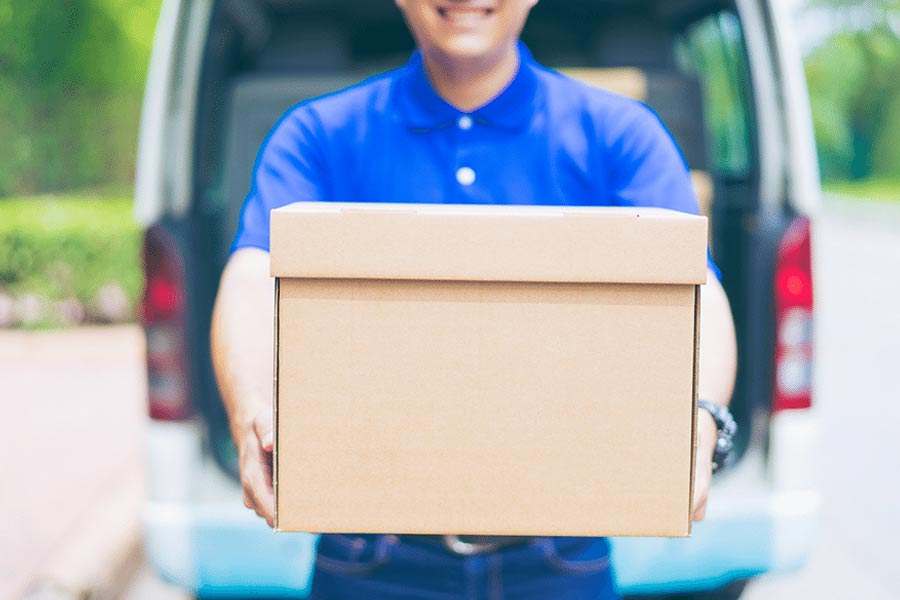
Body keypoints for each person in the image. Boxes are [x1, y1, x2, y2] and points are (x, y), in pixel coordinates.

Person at [211, 1, 738, 598]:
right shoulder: (318, 134)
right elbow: (253, 275)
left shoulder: (619, 133)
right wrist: (250, 409)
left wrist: (700, 416)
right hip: (369, 553)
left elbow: (697, 288)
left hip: (561, 552)